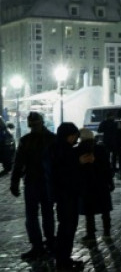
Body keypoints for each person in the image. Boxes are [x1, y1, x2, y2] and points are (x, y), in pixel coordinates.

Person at [10, 111, 56, 260]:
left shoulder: (28, 140)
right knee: (42, 214)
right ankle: (46, 243)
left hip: (37, 181)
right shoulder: (51, 139)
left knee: (36, 215)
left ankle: (41, 245)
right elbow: (18, 164)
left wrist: (15, 182)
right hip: (40, 182)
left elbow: (18, 164)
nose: (34, 127)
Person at [48, 122, 91, 271]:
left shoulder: (59, 148)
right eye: (73, 136)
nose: (74, 140)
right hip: (66, 195)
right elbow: (61, 172)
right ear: (69, 135)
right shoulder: (60, 150)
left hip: (67, 194)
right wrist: (78, 162)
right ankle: (63, 261)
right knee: (66, 228)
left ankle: (64, 259)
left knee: (67, 228)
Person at [77, 128, 114, 243]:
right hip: (102, 183)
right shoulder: (101, 149)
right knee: (105, 209)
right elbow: (107, 167)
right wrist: (110, 181)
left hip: (87, 184)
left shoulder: (78, 150)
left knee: (89, 211)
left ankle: (91, 234)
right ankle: (107, 232)